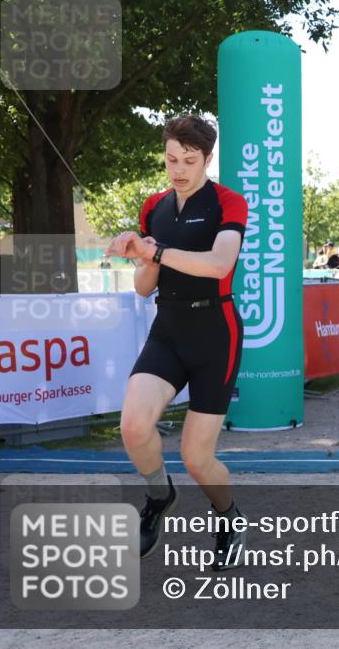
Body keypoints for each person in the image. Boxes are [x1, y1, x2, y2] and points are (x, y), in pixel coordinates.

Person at [105, 116, 248, 567]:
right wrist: (141, 255)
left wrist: (157, 252)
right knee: (133, 426)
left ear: (207, 159)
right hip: (168, 328)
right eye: (171, 160)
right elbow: (143, 287)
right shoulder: (154, 207)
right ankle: (158, 496)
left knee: (196, 458)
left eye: (189, 160)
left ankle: (228, 516)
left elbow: (220, 264)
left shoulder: (228, 202)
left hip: (216, 334)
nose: (179, 169)